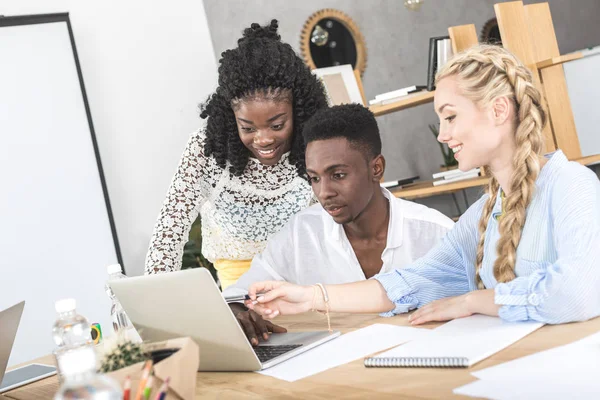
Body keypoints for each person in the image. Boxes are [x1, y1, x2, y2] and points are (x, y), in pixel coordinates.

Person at [244, 45, 600, 326]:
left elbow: (580, 290)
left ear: (498, 111)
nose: (443, 135)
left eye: (451, 116)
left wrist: (471, 301)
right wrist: (311, 297)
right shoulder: (482, 215)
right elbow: (409, 283)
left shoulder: (571, 185)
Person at [224, 104, 454, 345]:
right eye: (314, 178)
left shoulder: (436, 233)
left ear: (376, 169)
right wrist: (239, 312)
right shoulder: (302, 233)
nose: (324, 192)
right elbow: (237, 296)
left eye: (338, 175)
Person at [144, 20, 328, 288]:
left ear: (298, 111)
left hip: (307, 275)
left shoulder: (315, 139)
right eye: (248, 127)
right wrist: (154, 303)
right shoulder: (205, 151)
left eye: (277, 125)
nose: (264, 139)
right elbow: (168, 234)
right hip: (241, 288)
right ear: (232, 118)